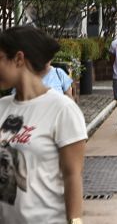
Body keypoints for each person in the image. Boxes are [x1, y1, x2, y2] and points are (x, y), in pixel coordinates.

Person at [0, 26, 87, 224]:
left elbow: (72, 176)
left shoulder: (62, 109)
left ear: (19, 59)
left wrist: (75, 221)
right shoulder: (2, 108)